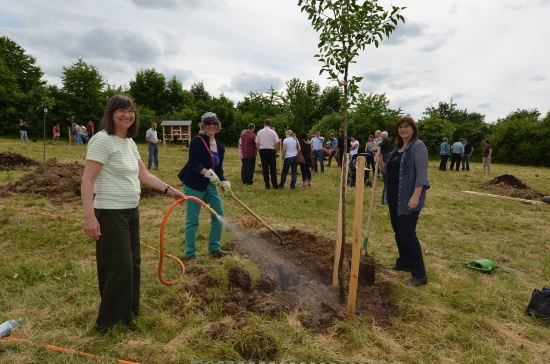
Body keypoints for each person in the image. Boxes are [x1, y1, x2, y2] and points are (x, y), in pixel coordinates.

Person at [81, 94, 185, 333]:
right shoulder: (101, 140)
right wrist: (90, 217)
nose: (127, 115)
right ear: (111, 113)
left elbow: (144, 175)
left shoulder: (128, 142)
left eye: (130, 111)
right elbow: (87, 180)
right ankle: (109, 323)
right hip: (110, 212)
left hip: (131, 211)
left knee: (133, 263)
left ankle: (128, 312)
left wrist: (170, 190)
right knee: (119, 266)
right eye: (121, 110)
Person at [375, 116, 430, 287]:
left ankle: (419, 274)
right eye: (400, 127)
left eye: (407, 126)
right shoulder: (397, 148)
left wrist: (415, 197)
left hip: (408, 198)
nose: (403, 129)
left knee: (407, 234)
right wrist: (381, 163)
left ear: (413, 129)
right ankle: (404, 263)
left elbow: (421, 175)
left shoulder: (418, 147)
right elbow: (387, 172)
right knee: (398, 232)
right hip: (393, 196)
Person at [182, 112, 232, 260]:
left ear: (218, 126)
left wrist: (224, 182)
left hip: (209, 186)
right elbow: (194, 165)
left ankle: (214, 248)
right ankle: (190, 253)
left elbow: (219, 170)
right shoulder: (197, 141)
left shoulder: (220, 148)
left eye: (214, 123)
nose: (212, 126)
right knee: (193, 219)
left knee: (218, 215)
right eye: (208, 123)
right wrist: (210, 174)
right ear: (203, 126)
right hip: (194, 185)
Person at [256, 119, 280, 189]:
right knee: (273, 168)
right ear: (270, 124)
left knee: (265, 168)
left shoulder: (260, 132)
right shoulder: (273, 132)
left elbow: (257, 143)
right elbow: (276, 143)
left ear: (264, 124)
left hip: (262, 150)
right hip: (271, 150)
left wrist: (259, 151)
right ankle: (275, 184)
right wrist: (275, 151)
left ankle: (267, 184)